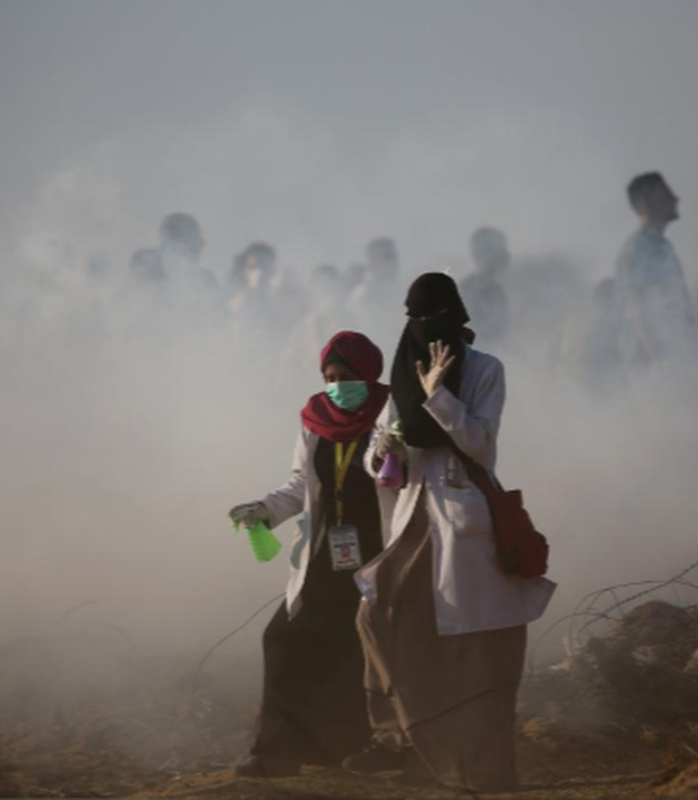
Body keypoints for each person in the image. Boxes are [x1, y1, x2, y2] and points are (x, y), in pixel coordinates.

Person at [345, 273, 555, 792]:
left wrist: (439, 395)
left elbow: (480, 443)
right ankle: (399, 739)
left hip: (463, 521)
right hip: (413, 515)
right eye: (417, 318)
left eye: (436, 317)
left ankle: (474, 771)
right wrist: (384, 451)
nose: (426, 328)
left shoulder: (485, 369)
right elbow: (382, 446)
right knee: (376, 617)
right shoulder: (403, 371)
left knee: (472, 658)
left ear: (457, 319)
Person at [227, 331, 396, 778]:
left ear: (370, 374)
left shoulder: (392, 415)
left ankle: (361, 747)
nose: (337, 385)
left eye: (346, 376)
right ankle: (276, 752)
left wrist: (389, 455)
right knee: (284, 637)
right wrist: (263, 510)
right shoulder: (315, 420)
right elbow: (301, 484)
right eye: (329, 377)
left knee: (357, 648)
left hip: (379, 552)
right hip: (328, 551)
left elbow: (402, 478)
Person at [614, 173, 698, 370]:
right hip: (650, 366)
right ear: (647, 203)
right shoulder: (640, 248)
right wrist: (662, 364)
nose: (675, 198)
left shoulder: (660, 246)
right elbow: (637, 309)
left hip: (668, 360)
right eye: (666, 193)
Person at [458, 227, 511, 349]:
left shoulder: (496, 290)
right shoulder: (469, 290)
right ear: (481, 254)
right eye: (501, 250)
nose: (506, 256)